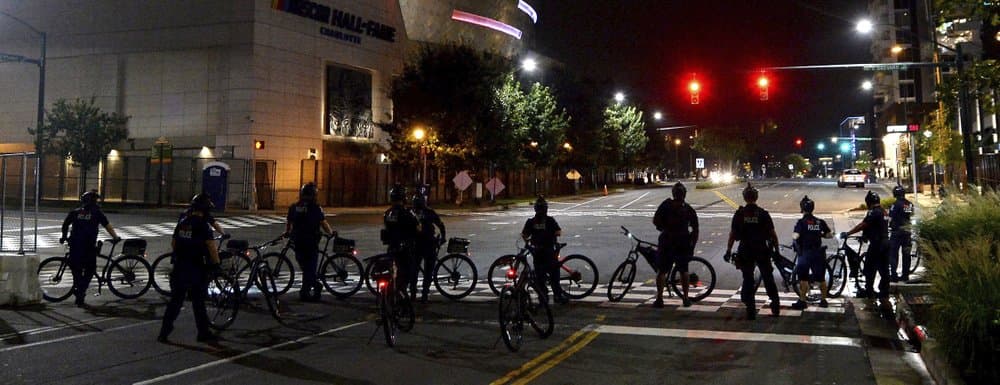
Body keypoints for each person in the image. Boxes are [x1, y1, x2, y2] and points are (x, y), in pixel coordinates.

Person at [158, 194, 220, 343]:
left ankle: (164, 332)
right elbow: (211, 247)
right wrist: (216, 265)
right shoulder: (203, 226)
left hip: (180, 267)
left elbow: (174, 243)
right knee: (199, 302)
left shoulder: (183, 223)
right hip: (196, 268)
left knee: (175, 302)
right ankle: (203, 333)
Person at [724, 183, 781, 320]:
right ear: (756, 197)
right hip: (762, 249)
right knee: (768, 277)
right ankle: (775, 305)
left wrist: (728, 250)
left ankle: (751, 309)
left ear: (745, 197)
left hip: (746, 249)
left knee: (748, 278)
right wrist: (777, 250)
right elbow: (773, 234)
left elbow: (733, 234)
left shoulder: (740, 214)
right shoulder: (763, 214)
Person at [59, 190, 120, 307]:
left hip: (75, 245)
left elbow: (65, 224)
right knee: (90, 270)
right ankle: (81, 291)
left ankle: (79, 291)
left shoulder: (75, 212)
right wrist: (115, 237)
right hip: (89, 246)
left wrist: (64, 237)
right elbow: (108, 226)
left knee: (76, 270)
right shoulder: (97, 212)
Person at [651, 182, 698, 308]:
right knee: (684, 271)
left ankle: (659, 298)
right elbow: (695, 230)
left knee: (662, 271)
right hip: (683, 242)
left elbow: (655, 220)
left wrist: (663, 228)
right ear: (684, 194)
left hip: (667, 240)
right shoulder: (688, 209)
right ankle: (686, 298)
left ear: (673, 194)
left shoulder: (666, 205)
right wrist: (692, 246)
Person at [285, 182, 335, 302]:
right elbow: (323, 223)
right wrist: (330, 233)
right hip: (311, 241)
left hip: (299, 240)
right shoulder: (315, 208)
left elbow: (289, 222)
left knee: (305, 266)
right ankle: (313, 287)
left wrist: (288, 232)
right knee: (309, 267)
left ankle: (306, 291)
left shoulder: (295, 207)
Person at [842, 191, 891, 299]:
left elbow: (863, 225)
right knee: (884, 268)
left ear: (869, 202)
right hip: (886, 243)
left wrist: (848, 233)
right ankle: (884, 291)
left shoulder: (873, 212)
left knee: (869, 268)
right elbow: (877, 225)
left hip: (877, 244)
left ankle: (869, 291)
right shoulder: (884, 211)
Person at [790, 196, 833, 310]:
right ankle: (823, 300)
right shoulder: (819, 222)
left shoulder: (801, 222)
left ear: (802, 209)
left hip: (805, 253)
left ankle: (802, 301)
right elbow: (829, 235)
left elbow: (796, 235)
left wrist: (795, 238)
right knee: (821, 278)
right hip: (818, 253)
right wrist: (820, 234)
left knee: (803, 278)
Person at [521, 197, 566, 304]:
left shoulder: (531, 222)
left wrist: (529, 242)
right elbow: (558, 232)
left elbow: (524, 235)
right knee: (554, 274)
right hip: (549, 250)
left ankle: (543, 297)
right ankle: (557, 295)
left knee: (539, 276)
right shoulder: (550, 220)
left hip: (537, 252)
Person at [383, 184, 420, 300]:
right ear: (403, 198)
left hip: (392, 246)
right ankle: (401, 295)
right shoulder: (407, 213)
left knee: (392, 271)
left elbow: (387, 228)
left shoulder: (388, 213)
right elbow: (417, 228)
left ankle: (390, 294)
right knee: (406, 273)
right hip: (405, 248)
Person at [412, 194, 446, 303]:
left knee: (414, 270)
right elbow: (440, 225)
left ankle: (413, 293)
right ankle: (424, 294)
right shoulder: (429, 212)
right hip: (429, 243)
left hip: (416, 245)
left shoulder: (411, 213)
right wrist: (443, 237)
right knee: (428, 270)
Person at [888, 185, 914, 282]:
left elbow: (891, 217)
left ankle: (894, 275)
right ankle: (905, 275)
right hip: (907, 232)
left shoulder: (895, 205)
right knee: (906, 254)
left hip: (896, 232)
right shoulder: (909, 204)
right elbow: (909, 214)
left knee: (893, 254)